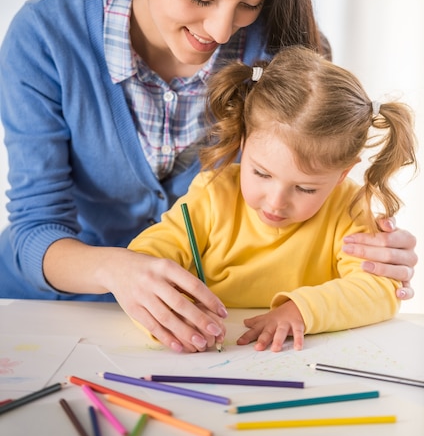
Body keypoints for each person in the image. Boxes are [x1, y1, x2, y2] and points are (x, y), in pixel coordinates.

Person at [0, 0, 417, 354]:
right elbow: (34, 231)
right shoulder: (47, 36)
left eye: (250, 3)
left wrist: (371, 253)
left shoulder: (286, 48)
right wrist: (117, 268)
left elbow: (314, 189)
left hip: (209, 333)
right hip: (49, 320)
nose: (222, 30)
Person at [128, 46, 417, 352]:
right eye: (262, 174)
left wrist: (302, 311)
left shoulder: (347, 207)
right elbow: (143, 263)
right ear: (243, 141)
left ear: (342, 174)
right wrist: (175, 315)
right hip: (209, 357)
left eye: (305, 188)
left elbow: (380, 290)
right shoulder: (213, 194)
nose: (276, 202)